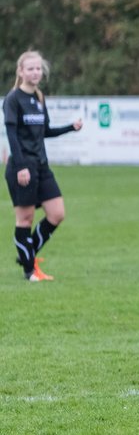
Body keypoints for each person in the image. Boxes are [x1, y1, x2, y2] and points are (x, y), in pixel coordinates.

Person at [5, 50, 82, 282]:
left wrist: (71, 127)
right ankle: (29, 271)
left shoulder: (39, 97)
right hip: (22, 166)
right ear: (21, 71)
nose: (35, 72)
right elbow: (12, 135)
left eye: (38, 68)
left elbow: (45, 131)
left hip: (41, 165)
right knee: (25, 219)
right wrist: (20, 167)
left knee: (57, 213)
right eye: (30, 68)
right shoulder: (13, 99)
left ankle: (27, 254)